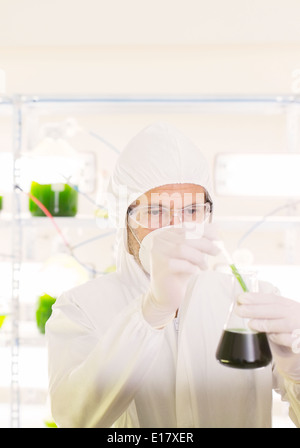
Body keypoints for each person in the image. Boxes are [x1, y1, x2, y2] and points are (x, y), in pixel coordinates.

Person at [46, 122, 300, 428]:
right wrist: (152, 311)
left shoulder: (249, 299)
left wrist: (297, 369)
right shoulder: (81, 308)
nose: (177, 227)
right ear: (122, 219)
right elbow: (75, 418)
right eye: (156, 212)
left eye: (192, 210)